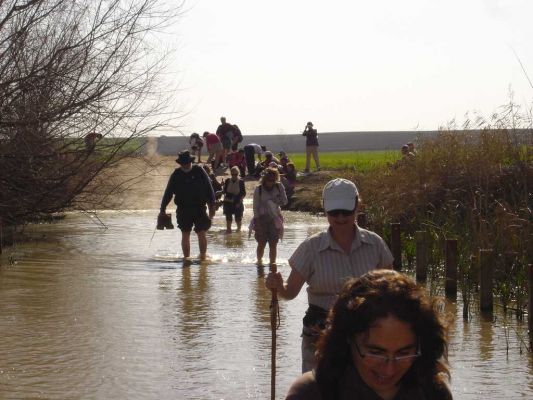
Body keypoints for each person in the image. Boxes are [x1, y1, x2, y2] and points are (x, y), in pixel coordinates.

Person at [266, 178, 393, 373]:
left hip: (365, 333)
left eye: (346, 211)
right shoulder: (311, 247)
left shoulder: (375, 244)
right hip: (319, 332)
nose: (340, 218)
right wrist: (277, 286)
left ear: (357, 206)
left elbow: (393, 292)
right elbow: (289, 293)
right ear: (325, 209)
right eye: (334, 212)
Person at [285, 269, 452, 400]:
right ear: (349, 339)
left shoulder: (433, 393)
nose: (389, 369)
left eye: (403, 353)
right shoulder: (312, 393)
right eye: (376, 352)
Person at [159, 150, 216, 261]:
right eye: (184, 163)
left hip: (198, 208)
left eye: (187, 162)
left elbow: (209, 189)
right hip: (184, 209)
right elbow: (168, 193)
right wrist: (162, 208)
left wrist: (212, 205)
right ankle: (189, 259)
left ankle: (199, 258)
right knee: (189, 233)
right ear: (181, 163)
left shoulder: (198, 170)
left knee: (199, 232)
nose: (186, 165)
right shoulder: (178, 174)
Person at [250, 167, 287, 265]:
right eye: (269, 180)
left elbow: (285, 201)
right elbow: (255, 207)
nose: (271, 182)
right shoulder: (259, 189)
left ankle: (272, 264)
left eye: (273, 180)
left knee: (273, 244)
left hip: (275, 217)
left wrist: (274, 202)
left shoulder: (279, 186)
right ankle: (259, 263)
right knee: (261, 243)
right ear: (264, 179)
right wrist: (257, 222)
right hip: (261, 218)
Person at [222, 166, 246, 233]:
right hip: (228, 202)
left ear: (238, 174)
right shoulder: (227, 181)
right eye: (232, 174)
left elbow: (243, 194)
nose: (234, 176)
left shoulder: (241, 182)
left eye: (235, 174)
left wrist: (239, 202)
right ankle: (228, 230)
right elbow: (224, 191)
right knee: (228, 218)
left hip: (237, 202)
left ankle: (239, 230)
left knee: (238, 219)